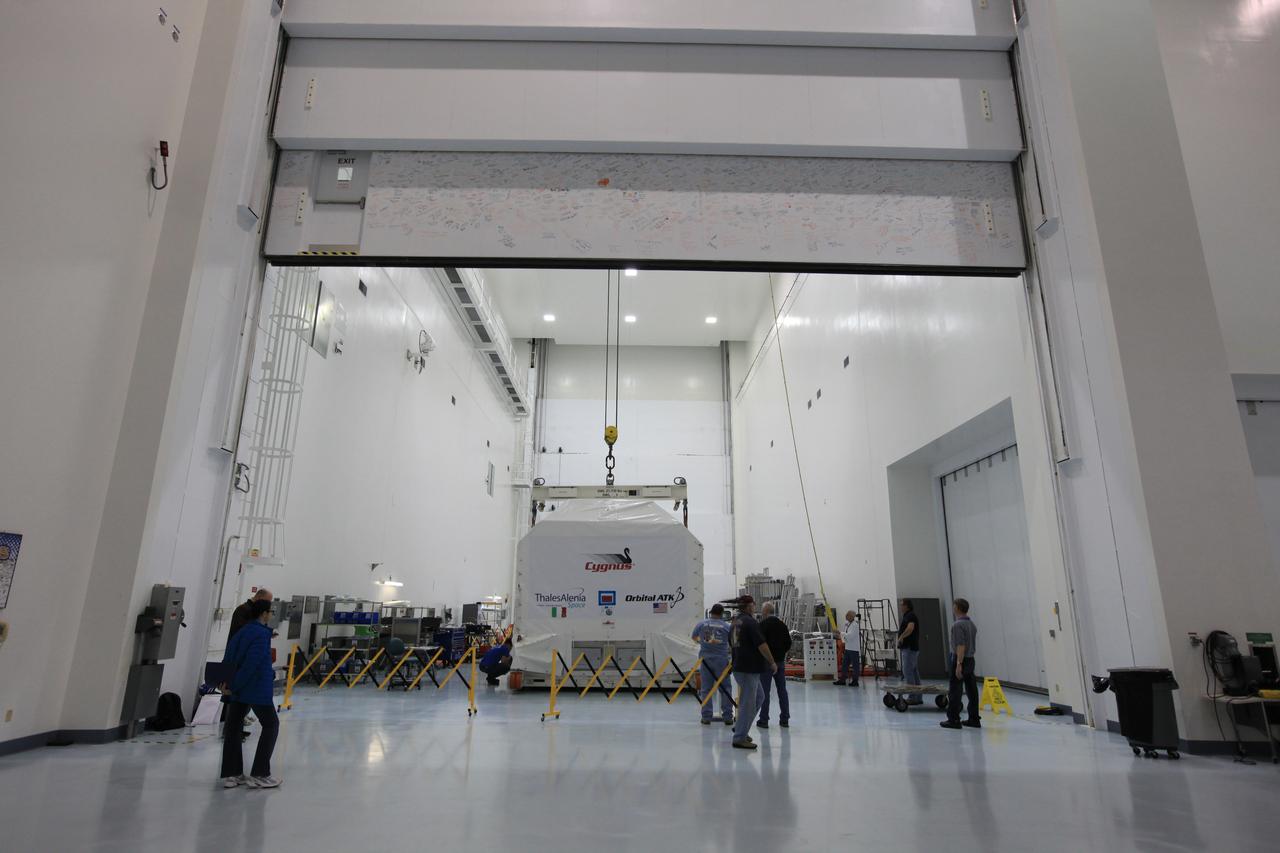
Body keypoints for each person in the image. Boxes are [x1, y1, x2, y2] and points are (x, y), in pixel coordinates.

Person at [220, 599, 282, 788]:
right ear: (264, 613)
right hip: (254, 688)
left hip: (238, 689)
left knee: (233, 727)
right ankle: (260, 773)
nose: (271, 615)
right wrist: (236, 686)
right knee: (271, 725)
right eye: (270, 612)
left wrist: (227, 684)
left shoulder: (242, 632)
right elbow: (252, 664)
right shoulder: (261, 634)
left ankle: (233, 773)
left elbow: (229, 657)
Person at [729, 595, 777, 751]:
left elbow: (732, 643)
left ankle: (741, 728)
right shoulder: (750, 622)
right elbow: (761, 645)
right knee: (747, 704)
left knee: (759, 698)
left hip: (739, 666)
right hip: (749, 668)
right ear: (749, 606)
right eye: (753, 604)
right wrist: (772, 662)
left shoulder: (735, 622)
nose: (755, 606)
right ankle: (740, 738)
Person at [940, 598, 981, 730]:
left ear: (957, 608)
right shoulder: (972, 624)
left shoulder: (958, 625)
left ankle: (953, 719)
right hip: (970, 659)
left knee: (955, 689)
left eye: (954, 606)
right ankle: (974, 718)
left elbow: (960, 646)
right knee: (971, 689)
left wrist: (958, 664)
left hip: (961, 659)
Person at [692, 603, 735, 725]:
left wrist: (705, 643)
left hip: (706, 660)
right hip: (722, 660)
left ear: (711, 612)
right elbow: (733, 643)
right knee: (725, 688)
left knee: (706, 689)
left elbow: (694, 637)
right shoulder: (727, 626)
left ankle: (706, 717)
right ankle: (727, 717)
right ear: (722, 614)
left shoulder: (701, 624)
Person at [756, 602, 792, 729]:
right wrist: (781, 654)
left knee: (765, 692)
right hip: (780, 662)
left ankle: (764, 720)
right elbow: (788, 643)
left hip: (766, 663)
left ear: (765, 612)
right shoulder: (782, 625)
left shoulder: (762, 625)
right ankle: (785, 719)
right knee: (782, 690)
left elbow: (759, 644)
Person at [898, 598, 922, 705]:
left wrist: (901, 637)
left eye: (902, 605)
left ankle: (913, 697)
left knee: (908, 671)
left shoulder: (910, 615)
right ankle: (918, 697)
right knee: (914, 672)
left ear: (907, 606)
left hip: (909, 648)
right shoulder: (907, 616)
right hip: (911, 648)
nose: (900, 607)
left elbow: (910, 628)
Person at [834, 611, 861, 686]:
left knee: (855, 665)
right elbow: (846, 634)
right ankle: (842, 679)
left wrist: (840, 633)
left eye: (847, 615)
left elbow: (850, 636)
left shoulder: (855, 625)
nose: (846, 617)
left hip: (854, 648)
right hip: (848, 647)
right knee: (845, 664)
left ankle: (855, 681)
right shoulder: (848, 624)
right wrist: (840, 636)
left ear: (852, 616)